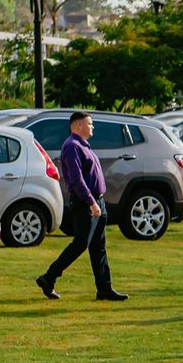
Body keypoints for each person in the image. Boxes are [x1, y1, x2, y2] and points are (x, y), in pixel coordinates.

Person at [36, 111, 125, 302]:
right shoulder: (72, 146)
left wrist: (98, 201)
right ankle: (48, 278)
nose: (93, 127)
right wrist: (91, 202)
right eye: (89, 124)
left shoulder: (83, 145)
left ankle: (104, 289)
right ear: (78, 126)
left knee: (98, 247)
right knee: (80, 244)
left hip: (98, 201)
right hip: (85, 203)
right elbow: (77, 180)